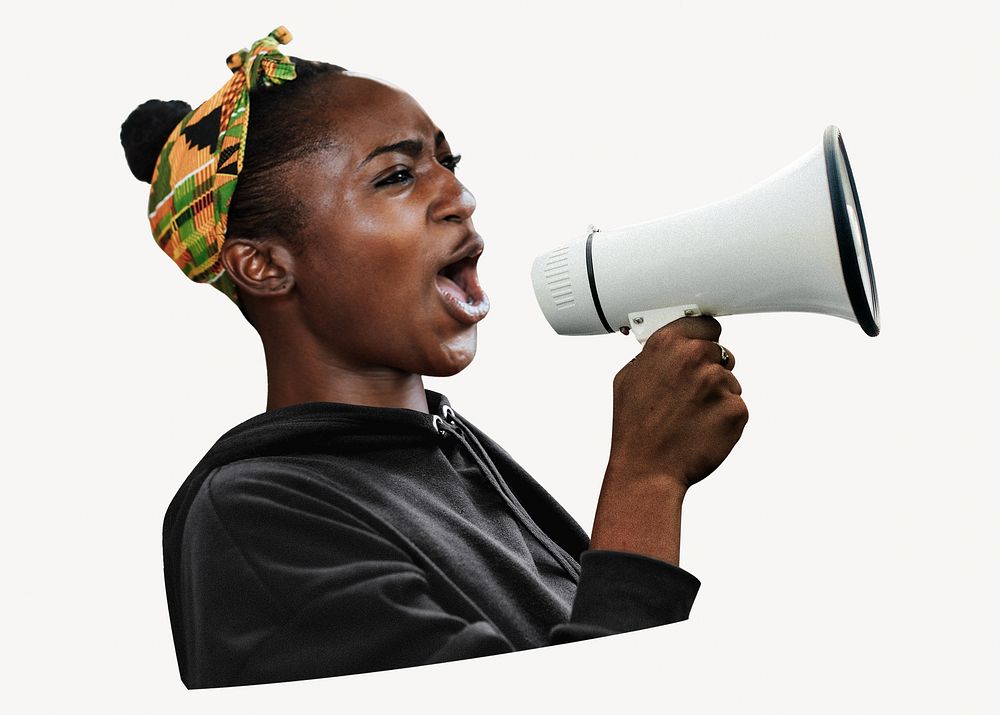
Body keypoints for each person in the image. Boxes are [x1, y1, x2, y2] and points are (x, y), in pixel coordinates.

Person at [120, 28, 749, 689]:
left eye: (449, 163)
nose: (460, 196)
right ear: (263, 264)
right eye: (397, 175)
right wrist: (646, 480)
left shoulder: (447, 450)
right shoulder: (255, 516)